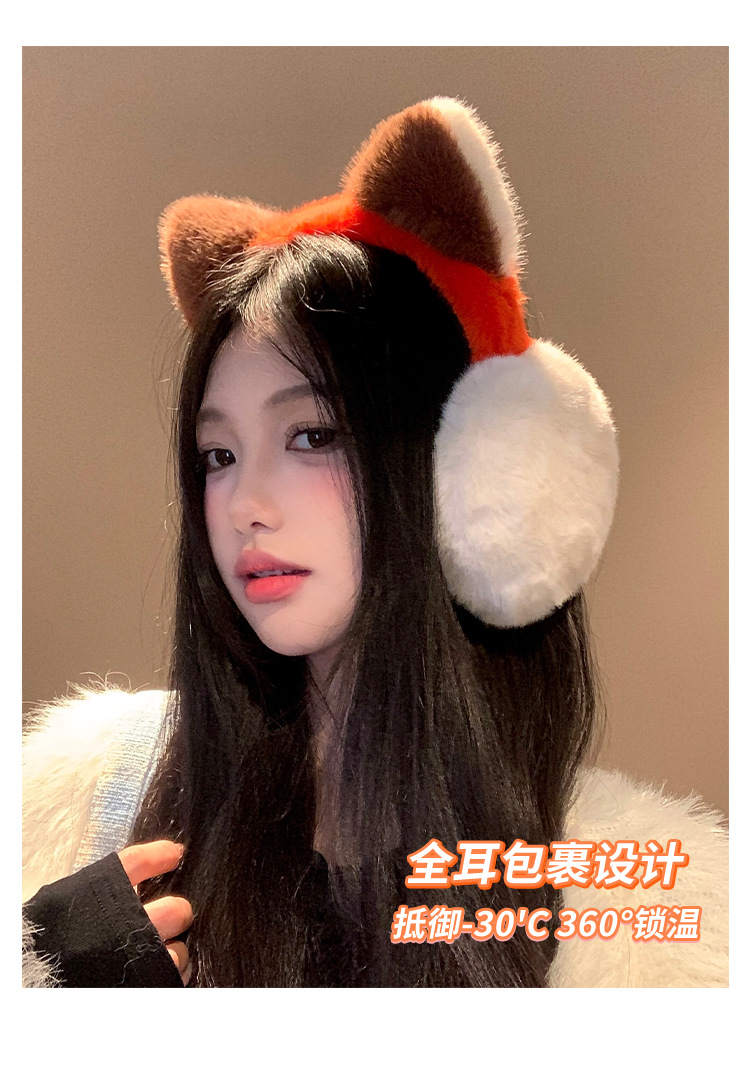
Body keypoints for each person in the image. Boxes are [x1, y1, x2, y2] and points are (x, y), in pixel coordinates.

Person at [22, 97, 728, 988]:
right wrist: (44, 987)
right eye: (218, 455)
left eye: (313, 435)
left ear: (471, 478)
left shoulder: (641, 914)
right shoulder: (92, 796)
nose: (245, 504)